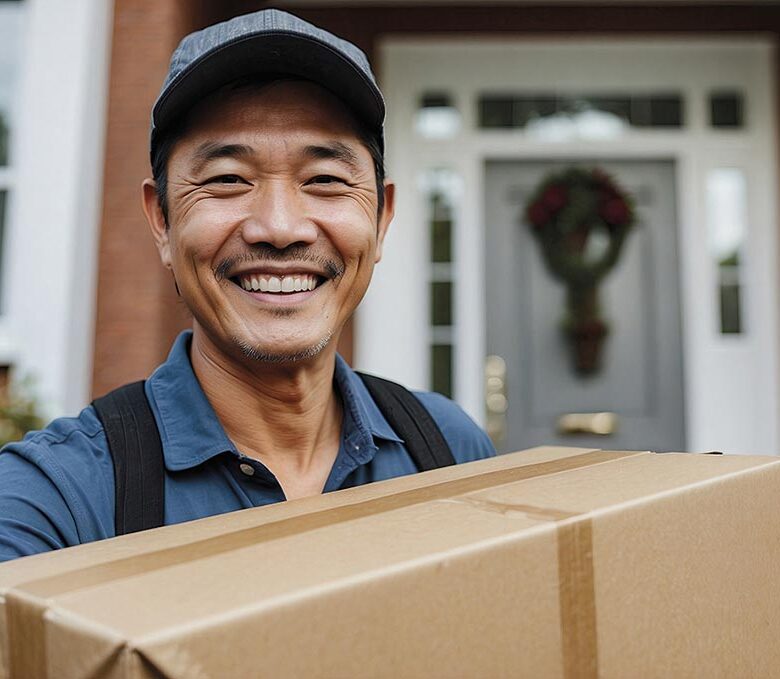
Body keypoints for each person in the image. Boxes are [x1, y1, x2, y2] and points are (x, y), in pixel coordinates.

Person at [0, 9, 495, 562]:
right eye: (227, 180)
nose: (280, 228)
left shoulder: (448, 447)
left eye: (325, 180)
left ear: (381, 221)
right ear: (161, 220)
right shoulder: (54, 500)